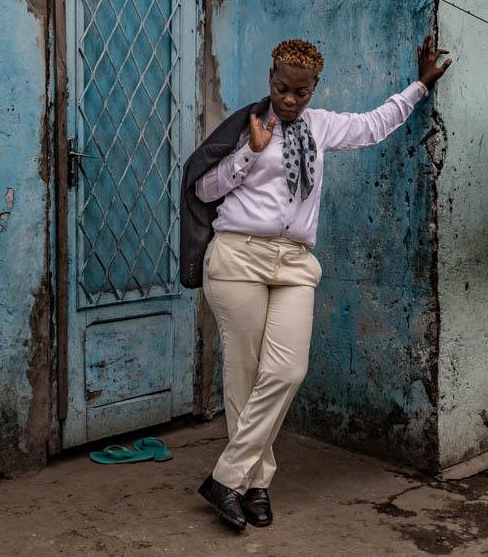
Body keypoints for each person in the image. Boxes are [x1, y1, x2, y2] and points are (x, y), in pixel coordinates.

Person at [187, 35, 451, 530]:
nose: (289, 100)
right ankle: (255, 484)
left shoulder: (322, 126)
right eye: (282, 88)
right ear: (271, 80)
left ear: (314, 89)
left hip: (294, 262)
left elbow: (374, 125)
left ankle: (226, 477)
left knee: (286, 371)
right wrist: (249, 155)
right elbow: (203, 187)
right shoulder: (248, 125)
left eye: (300, 92)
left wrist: (419, 86)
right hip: (238, 256)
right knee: (243, 375)